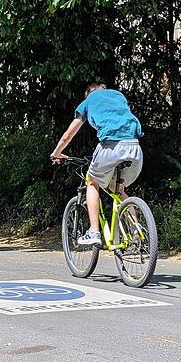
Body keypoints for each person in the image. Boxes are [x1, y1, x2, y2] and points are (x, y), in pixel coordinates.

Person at [51, 83, 144, 245]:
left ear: (89, 94)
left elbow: (68, 135)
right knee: (118, 189)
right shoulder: (118, 95)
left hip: (110, 146)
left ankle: (94, 231)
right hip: (135, 148)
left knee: (92, 182)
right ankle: (136, 228)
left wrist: (56, 153)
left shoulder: (89, 100)